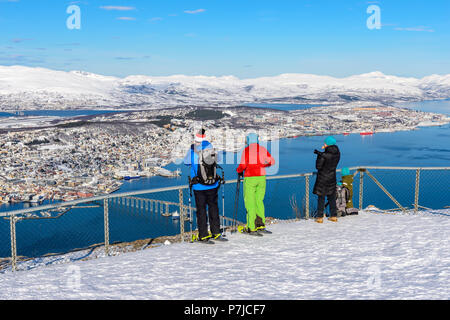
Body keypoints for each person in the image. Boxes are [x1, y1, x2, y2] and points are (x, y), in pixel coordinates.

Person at [184, 129, 227, 243]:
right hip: (212, 184)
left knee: (201, 211)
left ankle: (203, 235)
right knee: (214, 208)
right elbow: (219, 159)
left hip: (199, 186)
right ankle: (216, 233)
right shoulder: (210, 146)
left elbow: (186, 162)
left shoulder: (193, 150)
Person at [236, 133, 275, 235]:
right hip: (261, 178)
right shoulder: (262, 149)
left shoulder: (247, 150)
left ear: (248, 140)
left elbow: (243, 165)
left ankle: (251, 227)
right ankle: (261, 225)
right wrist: (263, 165)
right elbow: (272, 161)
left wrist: (239, 170)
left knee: (250, 202)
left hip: (250, 178)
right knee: (259, 201)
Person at [313, 136, 341, 223]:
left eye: (325, 143)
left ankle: (320, 217)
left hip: (323, 178)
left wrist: (319, 155)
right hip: (332, 177)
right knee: (331, 197)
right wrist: (322, 153)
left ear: (327, 144)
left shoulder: (323, 155)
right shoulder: (337, 153)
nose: (324, 144)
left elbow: (318, 166)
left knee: (321, 197)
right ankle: (333, 216)